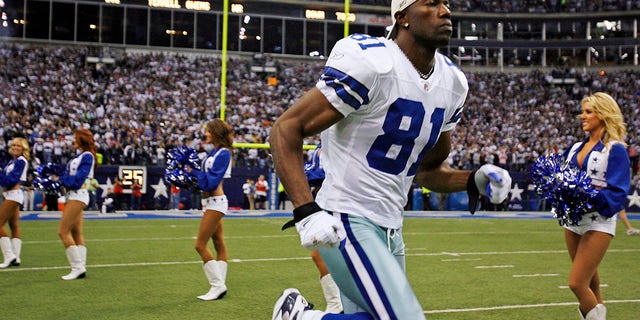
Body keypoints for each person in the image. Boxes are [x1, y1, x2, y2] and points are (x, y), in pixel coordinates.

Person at [269, 1, 511, 318]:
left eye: (446, 3)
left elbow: (427, 171)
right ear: (403, 17)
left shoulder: (452, 82)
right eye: (431, 3)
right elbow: (287, 128)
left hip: (391, 228)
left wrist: (473, 179)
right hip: (346, 216)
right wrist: (306, 210)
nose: (445, 10)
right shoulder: (373, 61)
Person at [561, 92, 631, 320]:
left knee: (576, 283)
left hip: (599, 221)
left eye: (589, 112)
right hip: (573, 222)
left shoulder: (615, 149)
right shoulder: (573, 148)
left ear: (603, 114)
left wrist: (585, 198)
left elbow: (618, 192)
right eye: (583, 111)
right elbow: (562, 178)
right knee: (591, 282)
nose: (583, 116)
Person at [186, 119, 233, 301]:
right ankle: (220, 283)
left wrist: (195, 172)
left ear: (215, 133)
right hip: (209, 202)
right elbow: (204, 179)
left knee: (199, 245)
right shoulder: (212, 152)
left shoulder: (224, 153)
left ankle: (217, 286)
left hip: (216, 202)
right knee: (219, 242)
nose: (205, 134)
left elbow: (211, 182)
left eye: (208, 131)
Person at [56, 129, 97, 280]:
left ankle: (77, 267)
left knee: (62, 231)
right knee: (76, 233)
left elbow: (78, 179)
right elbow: (69, 176)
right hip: (73, 195)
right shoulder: (79, 156)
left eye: (75, 138)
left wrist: (62, 181)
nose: (73, 140)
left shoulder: (87, 156)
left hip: (78, 195)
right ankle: (82, 267)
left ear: (81, 139)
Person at [0, 137, 30, 268]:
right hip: (11, 194)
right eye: (13, 145)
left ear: (23, 148)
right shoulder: (11, 162)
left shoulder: (21, 161)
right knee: (14, 225)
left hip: (13, 194)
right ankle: (16, 257)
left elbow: (10, 180)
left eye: (18, 146)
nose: (15, 147)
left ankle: (9, 255)